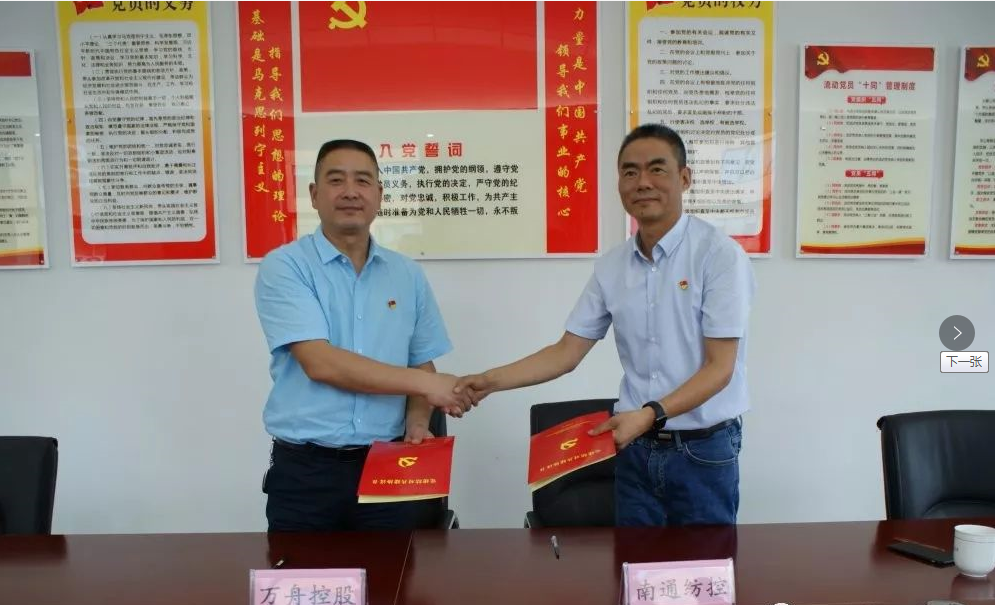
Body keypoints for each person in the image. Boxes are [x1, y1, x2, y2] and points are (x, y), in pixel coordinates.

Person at [456, 124, 755, 527]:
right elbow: (566, 352)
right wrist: (489, 381)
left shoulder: (718, 256)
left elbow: (720, 368)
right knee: (633, 564)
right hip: (634, 449)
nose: (642, 182)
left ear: (685, 178)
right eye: (630, 172)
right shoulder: (612, 266)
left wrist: (649, 414)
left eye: (657, 169)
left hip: (702, 450)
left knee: (703, 565)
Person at [254, 139, 472, 531]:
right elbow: (321, 364)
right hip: (306, 473)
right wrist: (427, 384)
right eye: (336, 180)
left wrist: (417, 420)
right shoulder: (285, 267)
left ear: (379, 195)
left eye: (363, 181)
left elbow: (421, 360)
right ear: (314, 194)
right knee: (302, 572)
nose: (351, 192)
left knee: (392, 571)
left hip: (387, 467)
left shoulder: (406, 274)